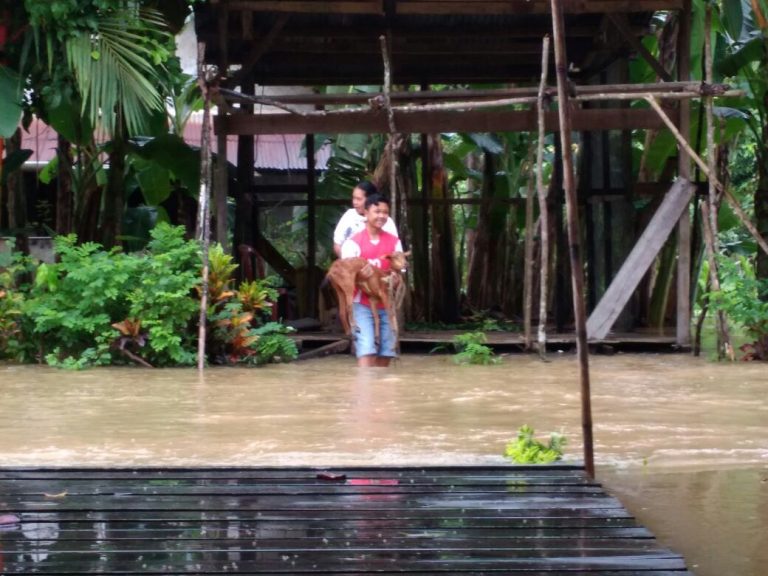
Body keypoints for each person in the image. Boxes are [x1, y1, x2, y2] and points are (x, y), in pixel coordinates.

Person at [340, 193, 403, 367]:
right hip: (361, 304)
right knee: (366, 348)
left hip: (386, 304)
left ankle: (381, 392)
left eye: (385, 212)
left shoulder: (394, 242)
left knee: (387, 352)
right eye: (377, 211)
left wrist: (395, 280)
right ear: (366, 213)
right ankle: (365, 391)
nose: (382, 216)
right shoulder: (352, 244)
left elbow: (399, 275)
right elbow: (345, 278)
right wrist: (359, 276)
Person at [333, 180, 398, 257]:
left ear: (370, 199)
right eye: (354, 198)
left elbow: (395, 248)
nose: (354, 202)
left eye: (359, 199)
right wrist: (348, 263)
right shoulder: (349, 216)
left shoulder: (385, 220)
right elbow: (337, 243)